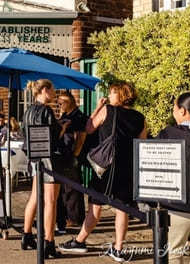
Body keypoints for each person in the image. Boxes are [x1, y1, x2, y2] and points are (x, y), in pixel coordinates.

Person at [59, 82, 147, 262]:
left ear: (120, 95)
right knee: (122, 208)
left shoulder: (108, 110)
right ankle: (118, 248)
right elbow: (141, 143)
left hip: (106, 167)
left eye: (112, 92)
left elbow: (89, 127)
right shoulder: (140, 117)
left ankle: (80, 241)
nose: (109, 95)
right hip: (127, 168)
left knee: (95, 204)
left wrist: (98, 107)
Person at [21, 79, 70, 258]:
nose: (55, 93)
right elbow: (54, 137)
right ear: (43, 90)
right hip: (49, 160)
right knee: (50, 201)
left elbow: (24, 133)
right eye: (53, 89)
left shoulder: (28, 111)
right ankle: (49, 242)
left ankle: (26, 236)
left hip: (34, 158)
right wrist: (63, 127)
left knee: (34, 197)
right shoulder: (47, 111)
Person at [157, 92, 190, 263]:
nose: (173, 111)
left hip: (178, 206)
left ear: (183, 111)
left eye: (175, 108)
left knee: (173, 253)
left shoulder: (169, 133)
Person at [55, 91, 88, 234]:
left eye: (61, 102)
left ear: (69, 102)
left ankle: (75, 218)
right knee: (65, 189)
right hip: (63, 154)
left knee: (72, 188)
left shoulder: (78, 117)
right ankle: (69, 217)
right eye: (58, 102)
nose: (59, 105)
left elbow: (81, 139)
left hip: (71, 156)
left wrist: (75, 156)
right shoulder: (65, 115)